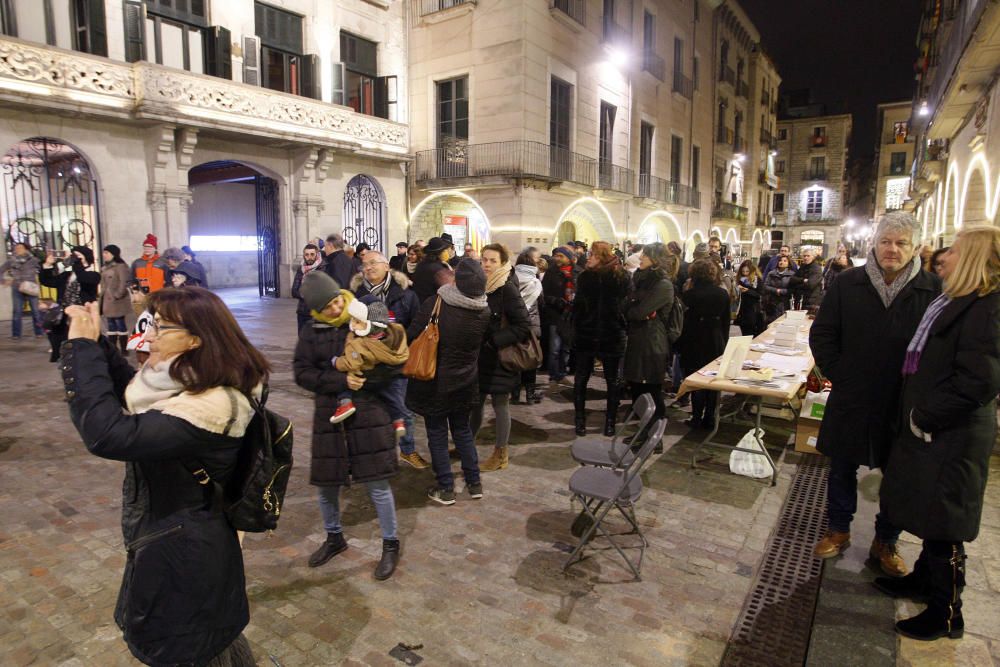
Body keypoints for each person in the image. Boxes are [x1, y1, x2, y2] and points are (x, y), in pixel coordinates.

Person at [60, 288, 269, 666]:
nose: (149, 334)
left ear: (196, 338)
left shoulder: (214, 404)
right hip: (181, 537)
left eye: (161, 326)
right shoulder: (191, 380)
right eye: (152, 323)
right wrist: (100, 344)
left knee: (190, 643)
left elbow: (108, 434)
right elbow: (132, 392)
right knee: (211, 638)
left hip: (184, 550)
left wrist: (81, 350)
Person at [877, 225, 1000, 641]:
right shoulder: (957, 302)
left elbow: (979, 382)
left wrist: (924, 416)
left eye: (953, 251)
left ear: (972, 260)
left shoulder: (986, 309)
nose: (942, 257)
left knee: (946, 522)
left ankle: (947, 613)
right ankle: (924, 582)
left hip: (952, 434)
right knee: (933, 513)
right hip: (939, 431)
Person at [809, 211, 941, 577]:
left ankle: (887, 540)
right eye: (885, 242)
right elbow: (823, 334)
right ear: (874, 244)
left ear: (914, 248)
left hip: (901, 400)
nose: (891, 250)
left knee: (896, 473)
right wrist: (842, 373)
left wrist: (919, 389)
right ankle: (838, 529)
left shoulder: (932, 290)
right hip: (853, 394)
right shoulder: (848, 283)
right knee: (841, 467)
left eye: (900, 243)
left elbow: (939, 349)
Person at [293, 271, 402, 580]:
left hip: (369, 413)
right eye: (327, 306)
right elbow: (302, 372)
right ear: (316, 309)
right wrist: (340, 380)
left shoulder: (365, 315)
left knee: (377, 483)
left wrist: (362, 380)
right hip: (330, 415)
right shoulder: (311, 331)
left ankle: (390, 543)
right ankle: (334, 537)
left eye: (337, 300)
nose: (336, 308)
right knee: (327, 485)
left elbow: (394, 365)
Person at [406, 259, 491, 504]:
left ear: (458, 279)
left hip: (436, 381)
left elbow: (412, 334)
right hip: (465, 379)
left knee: (437, 432)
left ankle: (445, 487)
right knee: (463, 430)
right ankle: (474, 483)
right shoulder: (483, 310)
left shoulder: (437, 303)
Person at [472, 243, 531, 471]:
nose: (486, 264)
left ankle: (501, 453)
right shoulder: (481, 286)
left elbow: (523, 325)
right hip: (481, 357)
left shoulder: (507, 288)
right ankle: (467, 444)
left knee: (500, 403)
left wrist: (494, 340)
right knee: (475, 402)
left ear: (503, 263)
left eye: (492, 260)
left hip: (500, 358)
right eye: (484, 260)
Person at [571, 241, 630, 436]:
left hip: (611, 335)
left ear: (602, 256)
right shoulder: (585, 277)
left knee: (612, 381)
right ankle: (579, 420)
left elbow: (626, 305)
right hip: (586, 334)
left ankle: (610, 422)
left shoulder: (620, 277)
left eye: (593, 255)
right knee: (581, 379)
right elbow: (578, 306)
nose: (588, 258)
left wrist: (620, 321)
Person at [328, 299, 409, 438]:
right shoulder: (395, 333)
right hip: (388, 377)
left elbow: (351, 363)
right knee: (392, 397)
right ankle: (398, 421)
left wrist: (336, 362)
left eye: (357, 322)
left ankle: (346, 403)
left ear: (371, 326)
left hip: (364, 380)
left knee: (344, 381)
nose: (352, 325)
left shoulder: (359, 343)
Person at [623, 242, 675, 444]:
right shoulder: (641, 280)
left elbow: (638, 311)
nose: (640, 258)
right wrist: (635, 309)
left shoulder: (663, 285)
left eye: (645, 255)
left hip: (652, 344)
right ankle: (643, 433)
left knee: (651, 391)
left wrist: (637, 309)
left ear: (656, 259)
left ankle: (654, 439)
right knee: (637, 389)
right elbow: (628, 308)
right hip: (638, 340)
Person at [674, 259, 730, 429]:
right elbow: (726, 321)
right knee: (713, 380)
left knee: (696, 379)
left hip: (695, 338)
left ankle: (697, 416)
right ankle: (710, 417)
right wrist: (724, 341)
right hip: (715, 338)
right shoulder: (722, 294)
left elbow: (683, 322)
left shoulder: (689, 296)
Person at [40, 246, 100, 362]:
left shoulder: (93, 274)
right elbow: (47, 281)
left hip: (82, 314)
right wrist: (47, 265)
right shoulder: (67, 275)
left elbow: (83, 278)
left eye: (78, 256)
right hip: (65, 312)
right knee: (59, 337)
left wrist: (77, 264)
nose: (75, 258)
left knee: (81, 341)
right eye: (73, 256)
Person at [350, 251, 421, 330]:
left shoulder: (407, 295)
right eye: (364, 265)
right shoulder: (354, 296)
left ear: (386, 267)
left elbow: (415, 327)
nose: (368, 268)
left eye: (373, 263)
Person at [540, 246, 580, 383]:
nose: (557, 258)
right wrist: (556, 301)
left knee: (566, 347)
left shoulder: (577, 272)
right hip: (555, 315)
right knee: (555, 348)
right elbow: (544, 294)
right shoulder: (551, 272)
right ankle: (554, 374)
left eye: (561, 256)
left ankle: (562, 372)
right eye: (556, 256)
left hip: (570, 315)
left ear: (568, 258)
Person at [512, 247, 544, 405]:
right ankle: (530, 395)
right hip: (532, 328)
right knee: (531, 360)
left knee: (516, 358)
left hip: (515, 326)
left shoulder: (511, 280)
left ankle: (515, 393)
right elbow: (542, 304)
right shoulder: (535, 282)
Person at [1, 242, 43, 339]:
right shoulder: (11, 261)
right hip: (17, 287)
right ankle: (16, 334)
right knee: (17, 311)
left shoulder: (34, 260)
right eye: (16, 248)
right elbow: (1, 270)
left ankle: (39, 332)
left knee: (35, 311)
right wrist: (4, 281)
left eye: (20, 248)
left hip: (31, 287)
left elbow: (42, 270)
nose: (18, 249)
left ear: (26, 249)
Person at [100, 245, 132, 354]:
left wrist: (117, 295)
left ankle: (124, 349)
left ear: (113, 254)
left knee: (120, 323)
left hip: (118, 301)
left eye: (107, 253)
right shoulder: (105, 267)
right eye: (104, 253)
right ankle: (112, 349)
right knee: (110, 325)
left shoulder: (121, 266)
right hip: (107, 300)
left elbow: (124, 282)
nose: (104, 255)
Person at [411, 236, 454, 303]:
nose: (446, 252)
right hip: (432, 306)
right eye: (444, 250)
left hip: (419, 303)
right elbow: (450, 289)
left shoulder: (421, 264)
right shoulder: (438, 270)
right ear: (439, 253)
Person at [291, 243, 323, 333]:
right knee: (302, 339)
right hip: (302, 311)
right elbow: (294, 291)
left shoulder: (322, 268)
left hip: (316, 312)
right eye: (307, 254)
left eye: (312, 254)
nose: (309, 257)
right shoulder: (301, 269)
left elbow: (321, 291)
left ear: (316, 254)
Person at [735, 259, 765, 336]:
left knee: (753, 334)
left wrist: (747, 290)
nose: (745, 274)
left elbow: (759, 294)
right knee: (745, 333)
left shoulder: (757, 280)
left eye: (747, 271)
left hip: (754, 311)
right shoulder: (740, 280)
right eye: (743, 271)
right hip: (743, 311)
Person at [762, 255, 795, 324]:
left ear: (788, 263)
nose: (781, 262)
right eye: (780, 260)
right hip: (771, 303)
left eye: (784, 261)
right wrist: (775, 290)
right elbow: (765, 286)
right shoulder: (771, 273)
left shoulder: (792, 275)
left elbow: (793, 289)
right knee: (770, 323)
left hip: (785, 303)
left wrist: (782, 291)